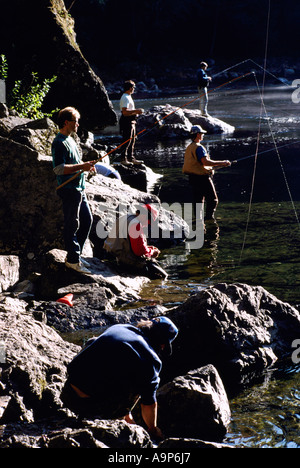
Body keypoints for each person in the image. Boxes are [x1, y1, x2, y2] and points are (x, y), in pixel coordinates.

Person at [60, 317, 179, 440]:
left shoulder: (120, 327)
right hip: (91, 409)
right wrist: (153, 429)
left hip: (67, 393)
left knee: (95, 342)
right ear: (162, 344)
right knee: (143, 380)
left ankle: (126, 416)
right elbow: (148, 403)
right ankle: (121, 416)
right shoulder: (151, 359)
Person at [52, 107, 96, 275]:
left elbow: (76, 164)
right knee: (72, 224)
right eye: (75, 121)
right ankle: (72, 260)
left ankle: (76, 256)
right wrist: (82, 166)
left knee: (87, 221)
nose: (78, 124)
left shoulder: (71, 140)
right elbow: (58, 169)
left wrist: (87, 167)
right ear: (66, 122)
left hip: (79, 189)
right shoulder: (59, 142)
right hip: (69, 190)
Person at [103, 204, 167, 279]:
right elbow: (139, 251)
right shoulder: (136, 225)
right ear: (144, 216)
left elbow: (127, 243)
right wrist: (152, 252)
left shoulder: (126, 217)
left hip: (114, 255)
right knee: (163, 276)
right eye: (149, 222)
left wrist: (148, 248)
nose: (147, 225)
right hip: (126, 262)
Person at [183, 125, 231, 222]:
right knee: (213, 200)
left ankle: (198, 221)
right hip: (202, 178)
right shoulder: (199, 148)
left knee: (198, 201)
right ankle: (209, 220)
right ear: (197, 135)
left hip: (192, 178)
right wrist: (222, 163)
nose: (203, 135)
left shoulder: (190, 147)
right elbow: (205, 162)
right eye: (201, 133)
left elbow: (198, 163)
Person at [119, 80, 144, 165]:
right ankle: (123, 159)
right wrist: (137, 111)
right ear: (130, 88)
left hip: (132, 121)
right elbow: (125, 112)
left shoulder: (128, 96)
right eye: (133, 87)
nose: (134, 89)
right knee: (127, 140)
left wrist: (136, 112)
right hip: (127, 121)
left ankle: (131, 158)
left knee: (132, 140)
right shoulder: (125, 97)